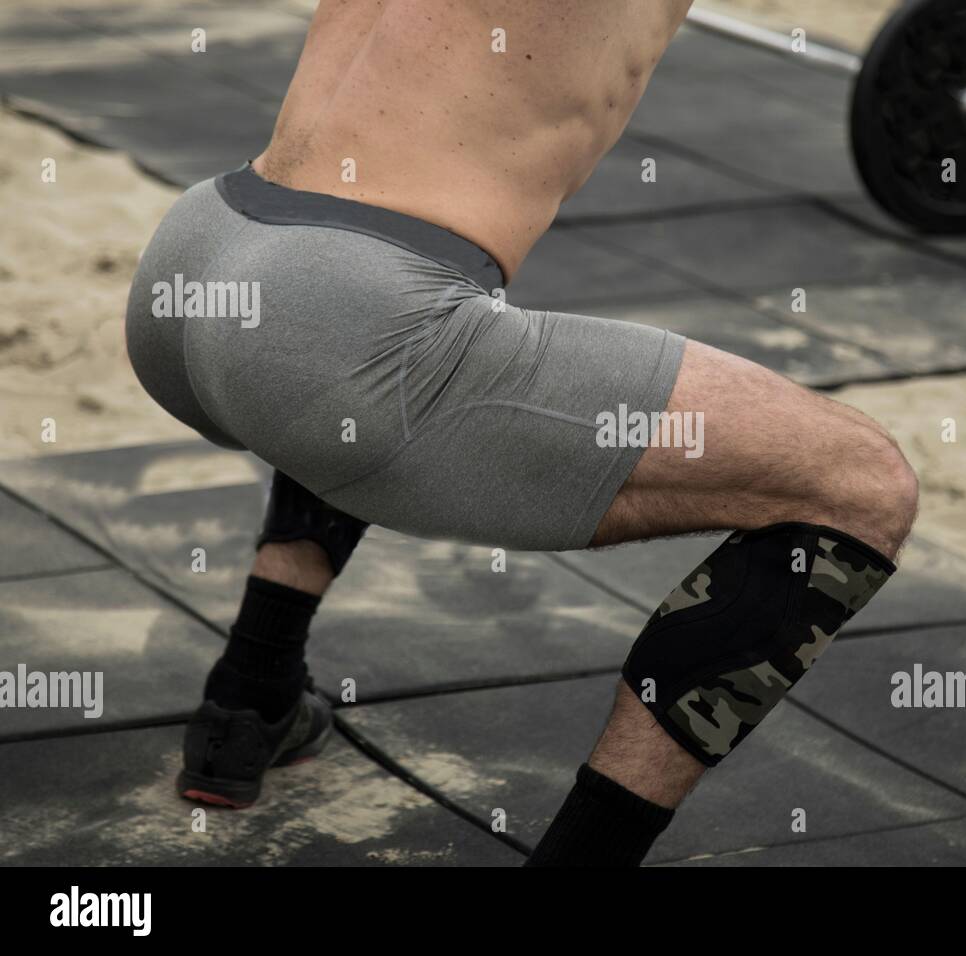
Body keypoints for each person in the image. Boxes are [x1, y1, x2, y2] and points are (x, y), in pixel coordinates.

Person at [125, 0, 918, 867]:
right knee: (858, 487)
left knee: (386, 366)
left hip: (203, 250)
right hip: (342, 313)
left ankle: (251, 695)